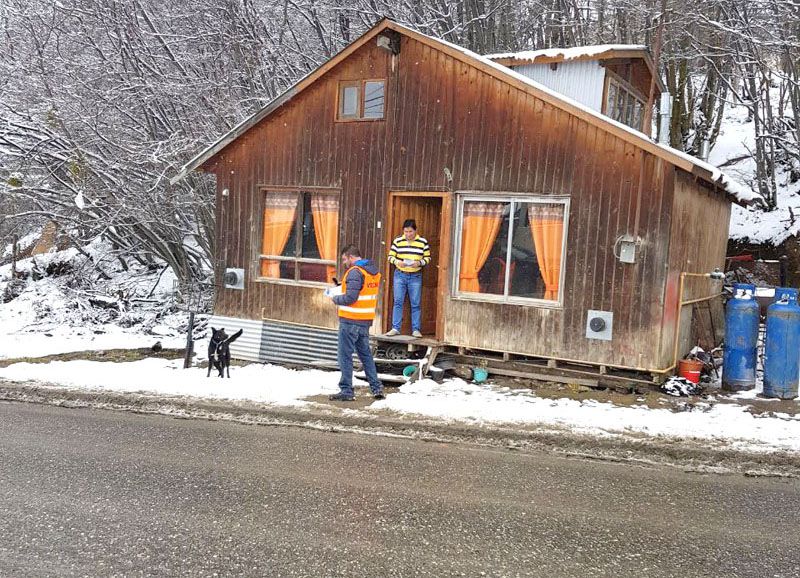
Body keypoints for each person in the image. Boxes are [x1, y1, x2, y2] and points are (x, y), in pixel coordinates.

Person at [325, 244, 385, 401]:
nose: (344, 262)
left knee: (345, 356)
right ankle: (376, 387)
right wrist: (341, 287)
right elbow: (362, 291)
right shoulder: (372, 271)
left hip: (350, 320)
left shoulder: (354, 272)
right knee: (365, 355)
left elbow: (351, 298)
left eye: (345, 259)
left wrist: (334, 298)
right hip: (365, 320)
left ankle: (346, 390)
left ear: (351, 257)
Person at [386, 219, 431, 338]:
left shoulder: (422, 242)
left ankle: (416, 329)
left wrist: (419, 263)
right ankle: (395, 328)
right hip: (400, 274)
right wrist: (397, 261)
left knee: (415, 303)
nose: (408, 234)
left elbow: (428, 258)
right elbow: (390, 257)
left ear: (415, 231)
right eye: (406, 231)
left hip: (415, 275)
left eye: (410, 231)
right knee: (398, 301)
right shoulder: (398, 241)